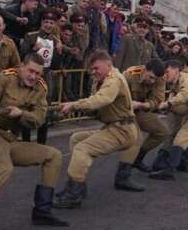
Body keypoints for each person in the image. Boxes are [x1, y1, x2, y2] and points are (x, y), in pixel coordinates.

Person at [0, 53, 69, 230]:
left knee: (54, 156)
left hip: (11, 139)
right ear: (21, 67)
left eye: (37, 73)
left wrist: (21, 114)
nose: (33, 76)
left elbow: (39, 119)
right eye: (30, 71)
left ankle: (42, 212)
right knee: (4, 168)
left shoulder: (40, 88)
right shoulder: (5, 77)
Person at [54, 51, 139, 208]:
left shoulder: (113, 80)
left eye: (96, 68)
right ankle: (78, 185)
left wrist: (73, 105)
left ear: (108, 65)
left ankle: (74, 195)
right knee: (76, 138)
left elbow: (102, 99)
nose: (93, 72)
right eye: (92, 69)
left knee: (82, 148)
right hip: (114, 127)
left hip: (122, 130)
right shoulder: (101, 80)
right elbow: (95, 106)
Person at [19, 10, 61, 145]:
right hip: (31, 75)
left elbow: (55, 64)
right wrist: (32, 48)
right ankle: (26, 141)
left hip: (46, 76)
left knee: (45, 108)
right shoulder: (31, 36)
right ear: (42, 23)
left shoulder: (55, 40)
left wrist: (59, 52)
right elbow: (22, 55)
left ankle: (41, 142)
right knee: (28, 106)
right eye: (46, 22)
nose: (48, 25)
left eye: (51, 23)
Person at [123, 59, 170, 173]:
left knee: (163, 132)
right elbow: (117, 96)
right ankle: (124, 172)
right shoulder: (130, 74)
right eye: (151, 77)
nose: (153, 81)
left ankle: (137, 159)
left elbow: (158, 100)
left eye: (155, 79)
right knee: (135, 139)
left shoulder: (160, 78)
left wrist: (144, 105)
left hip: (141, 109)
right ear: (144, 70)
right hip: (124, 111)